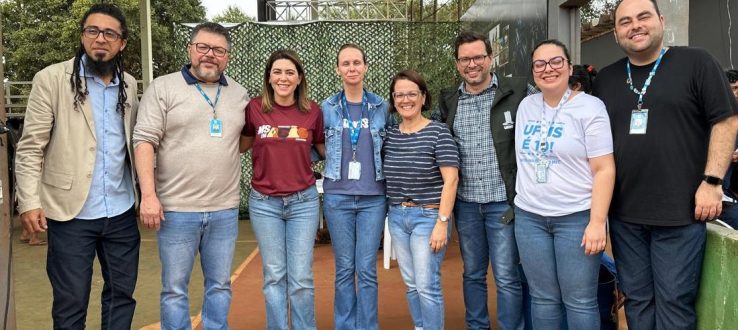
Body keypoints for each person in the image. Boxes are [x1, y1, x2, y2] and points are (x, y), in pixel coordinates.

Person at [592, 0, 738, 328]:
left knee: (674, 303)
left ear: (660, 20)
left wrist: (713, 182)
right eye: (625, 21)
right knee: (638, 301)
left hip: (681, 212)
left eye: (643, 17)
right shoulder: (606, 79)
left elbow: (726, 121)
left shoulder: (696, 62)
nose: (635, 26)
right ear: (616, 33)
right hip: (625, 216)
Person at [14, 4, 139, 328]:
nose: (101, 39)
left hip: (121, 212)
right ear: (82, 36)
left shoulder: (129, 84)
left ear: (122, 43)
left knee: (121, 298)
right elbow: (30, 148)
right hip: (71, 214)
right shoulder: (52, 80)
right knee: (71, 304)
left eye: (110, 33)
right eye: (93, 31)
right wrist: (29, 201)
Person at [133, 22, 249, 329]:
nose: (210, 55)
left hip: (224, 209)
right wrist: (148, 196)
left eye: (219, 50)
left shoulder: (239, 94)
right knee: (174, 290)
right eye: (203, 47)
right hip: (176, 210)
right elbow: (144, 141)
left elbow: (242, 141)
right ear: (190, 49)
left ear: (228, 56)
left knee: (220, 285)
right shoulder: (164, 87)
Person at [514, 39, 615, 329]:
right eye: (540, 64)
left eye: (556, 61)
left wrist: (597, 222)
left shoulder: (590, 108)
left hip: (576, 218)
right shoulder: (526, 107)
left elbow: (604, 169)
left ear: (569, 67)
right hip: (530, 217)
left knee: (579, 300)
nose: (548, 69)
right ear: (533, 71)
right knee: (543, 298)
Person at [437, 30, 528, 330]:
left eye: (478, 57)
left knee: (506, 275)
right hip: (466, 206)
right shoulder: (449, 100)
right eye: (465, 59)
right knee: (473, 274)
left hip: (503, 204)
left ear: (490, 58)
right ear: (457, 63)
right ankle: (477, 326)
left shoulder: (517, 92)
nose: (472, 64)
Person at [241, 49, 325, 330]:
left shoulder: (313, 111)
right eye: (277, 72)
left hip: (304, 202)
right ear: (269, 77)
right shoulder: (254, 108)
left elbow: (325, 149)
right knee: (274, 275)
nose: (283, 77)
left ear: (299, 78)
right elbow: (240, 143)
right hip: (265, 203)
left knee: (300, 277)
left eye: (290, 72)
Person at [384, 69, 459, 330]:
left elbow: (451, 180)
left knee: (427, 285)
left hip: (429, 217)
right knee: (412, 283)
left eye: (412, 94)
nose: (406, 100)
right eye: (399, 95)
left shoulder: (438, 132)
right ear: (393, 100)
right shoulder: (389, 136)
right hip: (397, 217)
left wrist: (442, 222)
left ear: (423, 97)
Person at [320, 43, 388, 330]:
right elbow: (315, 144)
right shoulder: (327, 107)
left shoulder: (381, 106)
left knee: (367, 270)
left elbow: (392, 145)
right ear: (338, 69)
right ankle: (345, 326)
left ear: (365, 67)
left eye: (357, 63)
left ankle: (367, 326)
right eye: (346, 63)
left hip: (374, 198)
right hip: (338, 198)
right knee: (345, 269)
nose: (352, 68)